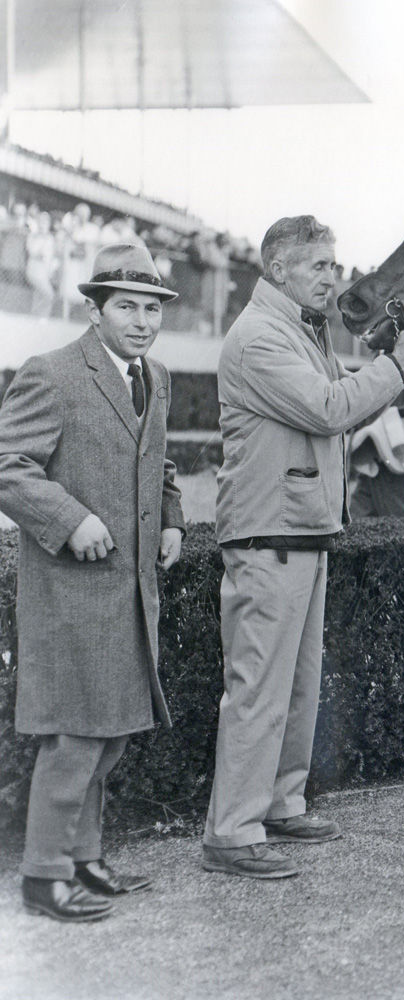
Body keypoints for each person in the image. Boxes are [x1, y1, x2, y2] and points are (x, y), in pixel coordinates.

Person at [201, 215, 404, 879]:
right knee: (259, 689)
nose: (333, 277)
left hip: (300, 531)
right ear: (278, 270)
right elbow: (329, 408)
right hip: (268, 535)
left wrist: (394, 366)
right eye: (318, 267)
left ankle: (279, 803)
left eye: (333, 265)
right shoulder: (259, 337)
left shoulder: (300, 331)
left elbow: (344, 403)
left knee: (298, 687)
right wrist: (398, 364)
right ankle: (231, 831)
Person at [0, 243, 185, 921]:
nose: (142, 321)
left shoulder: (155, 377)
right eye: (127, 307)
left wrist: (172, 521)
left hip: (131, 591)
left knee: (110, 732)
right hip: (72, 591)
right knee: (77, 734)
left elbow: (161, 462)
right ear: (95, 308)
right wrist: (72, 519)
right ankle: (43, 876)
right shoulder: (51, 374)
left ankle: (84, 859)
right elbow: (7, 465)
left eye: (152, 309)